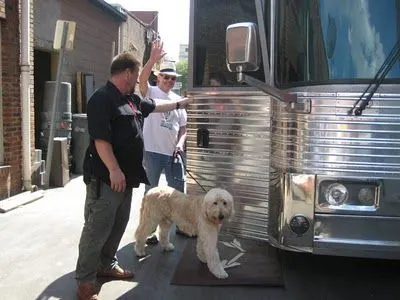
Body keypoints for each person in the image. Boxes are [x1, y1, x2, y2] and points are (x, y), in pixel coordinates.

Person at [75, 52, 189, 300]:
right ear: (127, 73)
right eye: (136, 74)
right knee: (97, 228)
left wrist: (180, 104)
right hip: (106, 178)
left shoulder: (131, 100)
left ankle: (106, 265)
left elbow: (157, 106)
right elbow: (100, 140)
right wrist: (114, 170)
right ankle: (85, 281)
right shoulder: (102, 99)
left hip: (125, 178)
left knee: (118, 224)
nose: (138, 78)